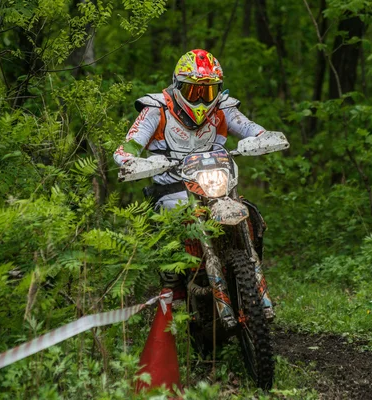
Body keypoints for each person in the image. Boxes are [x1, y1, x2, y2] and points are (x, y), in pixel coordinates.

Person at [114, 49, 274, 291]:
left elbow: (254, 130)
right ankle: (172, 290)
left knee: (250, 213)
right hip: (172, 189)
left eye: (208, 91)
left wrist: (263, 139)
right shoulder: (155, 108)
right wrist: (129, 160)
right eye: (194, 90)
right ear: (178, 85)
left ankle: (250, 270)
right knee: (169, 227)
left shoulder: (224, 108)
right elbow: (129, 145)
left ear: (218, 90)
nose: (201, 99)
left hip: (217, 187)